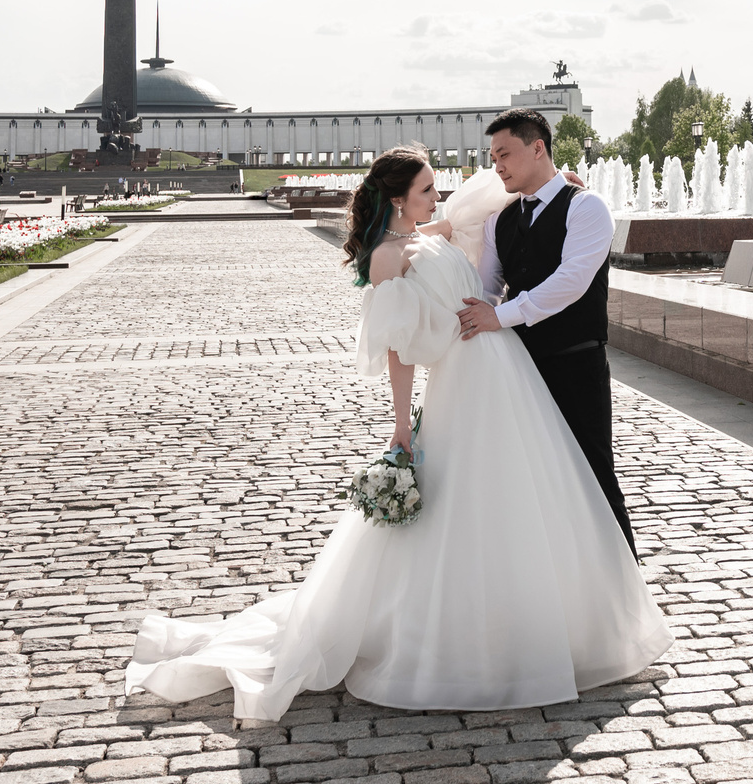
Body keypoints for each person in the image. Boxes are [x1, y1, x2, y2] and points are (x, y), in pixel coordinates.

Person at [125, 144, 668, 719]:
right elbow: (398, 348)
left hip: (506, 370)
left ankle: (546, 616)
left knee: (525, 492)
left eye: (436, 188)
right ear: (398, 199)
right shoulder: (389, 256)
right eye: (429, 189)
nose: (440, 197)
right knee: (467, 502)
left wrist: (559, 179)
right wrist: (402, 422)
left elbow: (485, 197)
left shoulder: (431, 231)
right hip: (463, 381)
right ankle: (466, 638)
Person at [456, 111, 632, 551]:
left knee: (592, 472)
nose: (497, 166)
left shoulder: (587, 207)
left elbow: (572, 281)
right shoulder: (499, 220)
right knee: (532, 479)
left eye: (504, 154)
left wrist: (500, 315)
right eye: (492, 156)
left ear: (538, 148)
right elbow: (489, 284)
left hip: (576, 362)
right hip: (518, 367)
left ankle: (624, 587)